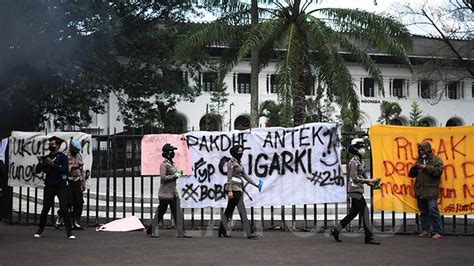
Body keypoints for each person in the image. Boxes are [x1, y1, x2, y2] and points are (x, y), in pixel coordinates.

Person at [330, 138, 380, 245]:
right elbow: (354, 178)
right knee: (365, 212)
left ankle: (336, 230)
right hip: (354, 190)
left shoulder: (359, 161)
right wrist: (369, 180)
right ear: (355, 149)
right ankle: (369, 237)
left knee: (353, 213)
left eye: (362, 146)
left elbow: (362, 176)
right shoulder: (353, 162)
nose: (362, 149)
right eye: (359, 147)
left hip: (358, 190)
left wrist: (371, 183)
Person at [34, 136, 75, 239]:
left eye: (52, 144)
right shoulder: (47, 157)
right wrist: (40, 162)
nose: (50, 146)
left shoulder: (62, 157)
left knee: (64, 209)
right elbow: (38, 170)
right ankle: (40, 230)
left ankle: (69, 232)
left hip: (61, 186)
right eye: (49, 144)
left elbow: (65, 170)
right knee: (45, 209)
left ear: (58, 146)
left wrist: (53, 165)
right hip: (49, 186)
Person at [147, 143, 191, 238]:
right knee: (161, 212)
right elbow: (163, 178)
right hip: (165, 193)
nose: (173, 153)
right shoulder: (164, 165)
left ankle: (181, 232)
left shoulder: (172, 164)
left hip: (173, 192)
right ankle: (152, 230)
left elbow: (174, 175)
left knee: (177, 212)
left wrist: (179, 174)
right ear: (167, 153)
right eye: (172, 151)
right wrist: (175, 175)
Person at [218, 145, 259, 239]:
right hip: (234, 190)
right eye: (239, 152)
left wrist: (255, 184)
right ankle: (249, 233)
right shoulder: (231, 163)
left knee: (228, 211)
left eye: (242, 151)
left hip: (238, 189)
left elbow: (245, 176)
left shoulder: (238, 163)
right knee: (242, 211)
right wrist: (230, 191)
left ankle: (221, 231)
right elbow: (229, 178)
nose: (241, 153)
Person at [408, 141, 444, 240]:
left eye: (422, 149)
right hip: (420, 190)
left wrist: (426, 167)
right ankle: (426, 230)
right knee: (423, 211)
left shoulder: (436, 160)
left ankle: (438, 231)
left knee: (433, 210)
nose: (421, 151)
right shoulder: (418, 161)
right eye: (420, 150)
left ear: (428, 150)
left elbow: (438, 172)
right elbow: (411, 175)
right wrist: (414, 168)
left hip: (431, 190)